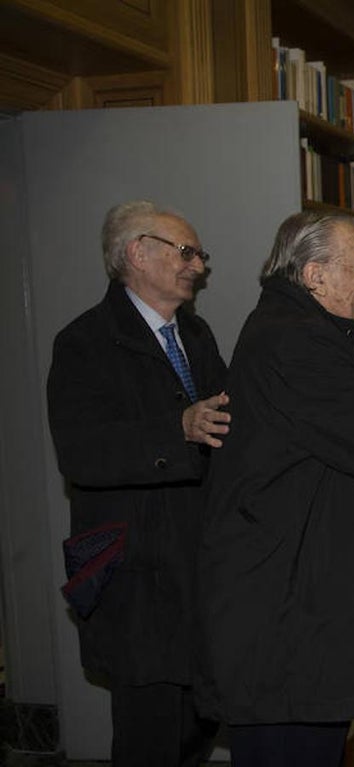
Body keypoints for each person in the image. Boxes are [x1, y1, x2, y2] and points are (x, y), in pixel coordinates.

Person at [196, 210, 354, 766]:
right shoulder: (296, 341)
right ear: (316, 275)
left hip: (296, 600)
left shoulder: (300, 330)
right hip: (280, 609)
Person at [46, 200, 229, 767]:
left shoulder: (194, 334)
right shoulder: (84, 342)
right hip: (136, 581)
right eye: (185, 252)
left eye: (199, 254)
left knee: (196, 727)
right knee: (149, 736)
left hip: (196, 567)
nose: (197, 265)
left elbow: (224, 424)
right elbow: (83, 454)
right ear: (137, 254)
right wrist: (174, 429)